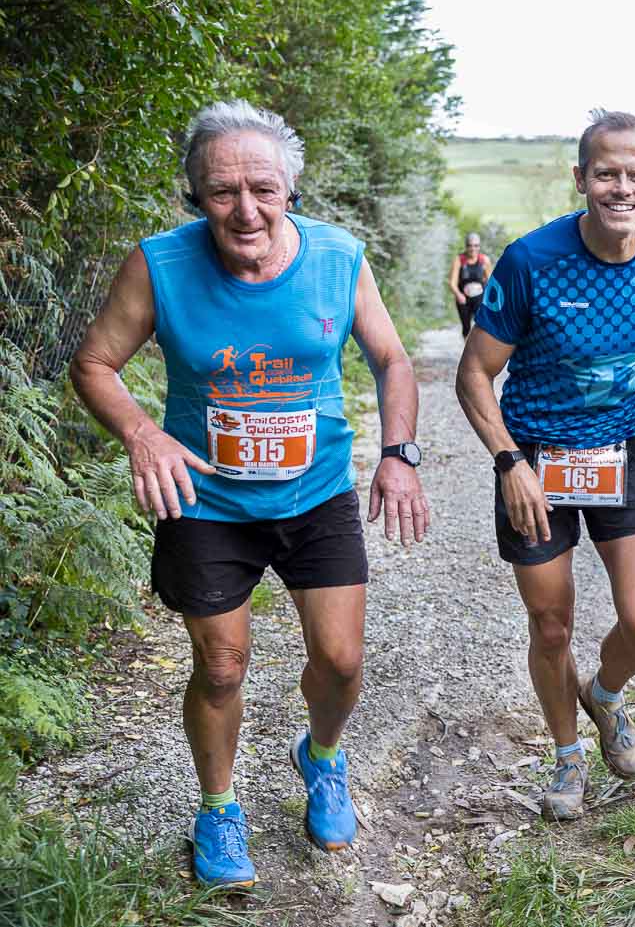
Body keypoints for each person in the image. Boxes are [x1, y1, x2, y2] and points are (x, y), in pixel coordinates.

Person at [70, 100, 429, 887]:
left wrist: (398, 453)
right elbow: (94, 362)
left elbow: (393, 360)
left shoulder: (339, 258)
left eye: (262, 188)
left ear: (291, 190)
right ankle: (218, 806)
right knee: (223, 665)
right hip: (206, 501)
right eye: (222, 191)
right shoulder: (160, 264)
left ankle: (322, 756)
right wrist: (143, 433)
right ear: (194, 197)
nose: (245, 209)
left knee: (339, 658)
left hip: (316, 491)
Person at [455, 110, 635, 821]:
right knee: (552, 626)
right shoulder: (530, 261)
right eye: (605, 173)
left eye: (634, 175)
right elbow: (474, 375)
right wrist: (509, 463)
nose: (619, 187)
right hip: (535, 459)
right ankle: (566, 753)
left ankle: (605, 694)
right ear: (580, 179)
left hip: (627, 452)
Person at [449, 232, 493, 338]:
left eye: (476, 245)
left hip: (479, 298)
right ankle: (467, 352)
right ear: (466, 246)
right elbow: (452, 282)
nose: (473, 248)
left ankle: (481, 352)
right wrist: (458, 295)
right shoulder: (459, 260)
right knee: (466, 328)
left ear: (479, 246)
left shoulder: (484, 260)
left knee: (481, 327)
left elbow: (491, 282)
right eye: (470, 245)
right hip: (464, 299)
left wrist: (489, 300)